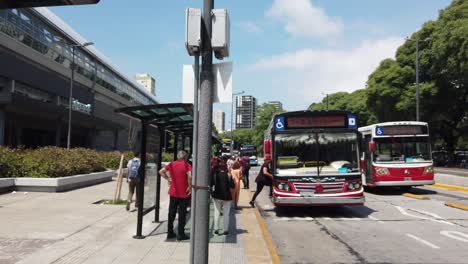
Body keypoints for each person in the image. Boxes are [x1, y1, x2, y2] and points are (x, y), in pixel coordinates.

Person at [159, 150, 192, 241]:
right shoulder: (187, 165)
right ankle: (181, 234)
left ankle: (170, 232)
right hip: (183, 193)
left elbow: (161, 171)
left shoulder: (171, 164)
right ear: (185, 157)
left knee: (171, 213)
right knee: (182, 214)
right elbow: (189, 176)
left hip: (173, 192)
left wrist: (168, 179)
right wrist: (189, 186)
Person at [210, 159, 234, 235]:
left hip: (217, 196)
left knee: (216, 212)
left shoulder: (215, 175)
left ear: (219, 168)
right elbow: (232, 186)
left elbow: (211, 184)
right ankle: (225, 230)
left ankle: (216, 229)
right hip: (227, 197)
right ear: (226, 168)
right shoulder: (229, 175)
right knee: (226, 214)